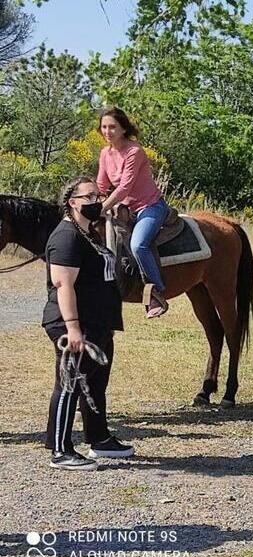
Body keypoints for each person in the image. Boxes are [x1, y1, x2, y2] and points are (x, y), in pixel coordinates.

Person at [43, 177, 133, 470]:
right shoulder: (66, 237)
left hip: (98, 323)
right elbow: (63, 285)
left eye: (99, 194)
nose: (97, 200)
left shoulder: (87, 234)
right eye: (90, 196)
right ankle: (60, 449)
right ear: (73, 203)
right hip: (75, 323)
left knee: (94, 383)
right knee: (70, 383)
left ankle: (99, 439)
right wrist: (72, 328)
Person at [97, 106, 170, 318]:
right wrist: (91, 202)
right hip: (124, 210)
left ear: (123, 128)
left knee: (138, 245)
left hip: (150, 207)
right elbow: (101, 185)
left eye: (112, 127)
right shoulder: (105, 153)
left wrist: (103, 207)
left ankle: (156, 292)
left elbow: (124, 187)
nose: (108, 131)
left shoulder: (134, 151)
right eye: (104, 127)